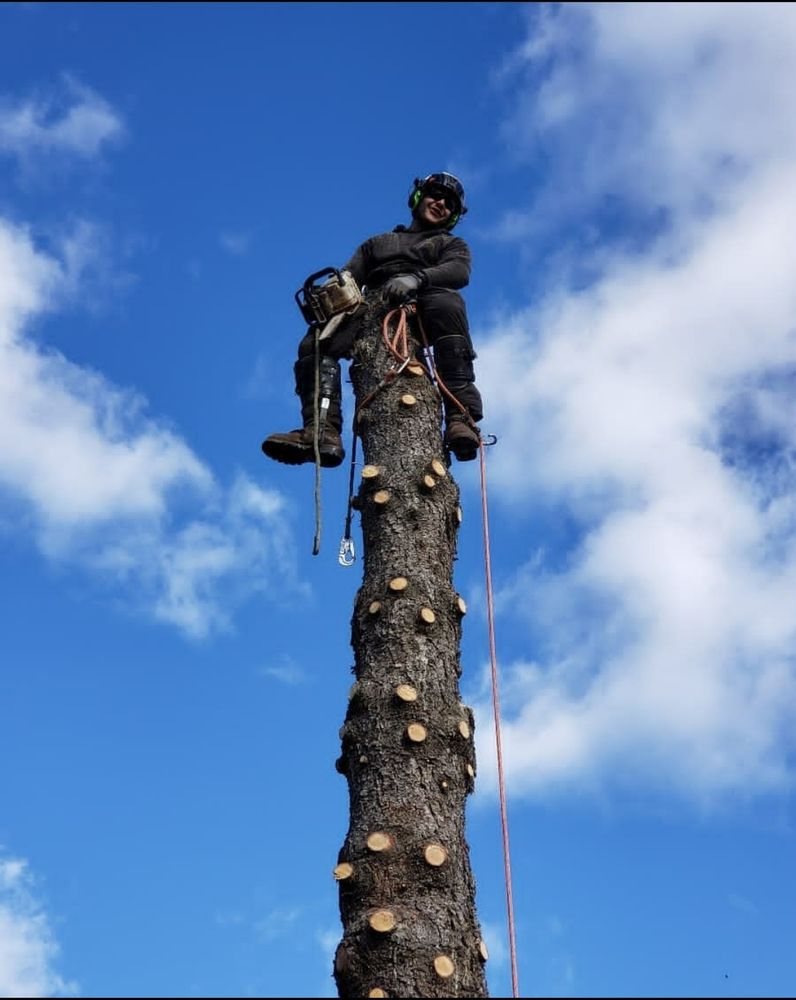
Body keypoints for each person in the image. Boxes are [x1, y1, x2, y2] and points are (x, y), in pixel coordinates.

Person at [261, 172, 484, 467]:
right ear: (418, 197)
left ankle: (460, 417)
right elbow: (350, 277)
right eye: (436, 195)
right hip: (373, 305)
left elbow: (459, 271)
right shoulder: (378, 244)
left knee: (448, 302)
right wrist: (329, 296)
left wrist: (416, 280)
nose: (441, 203)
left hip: (425, 302)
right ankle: (322, 430)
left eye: (450, 204)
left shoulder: (450, 245)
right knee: (316, 341)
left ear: (453, 216)